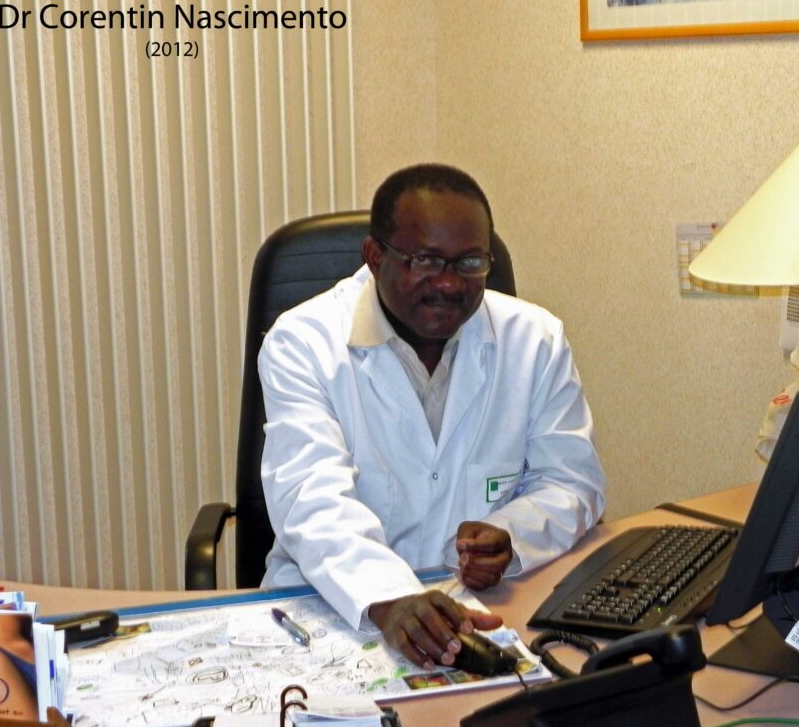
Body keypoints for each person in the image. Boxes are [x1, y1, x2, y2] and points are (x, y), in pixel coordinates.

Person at [259, 163, 605, 668]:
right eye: (425, 260)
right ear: (375, 257)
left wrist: (512, 535)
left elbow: (572, 481)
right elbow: (311, 499)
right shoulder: (303, 343)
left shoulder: (535, 340)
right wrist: (387, 596)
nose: (448, 283)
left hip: (479, 609)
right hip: (333, 614)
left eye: (469, 263)